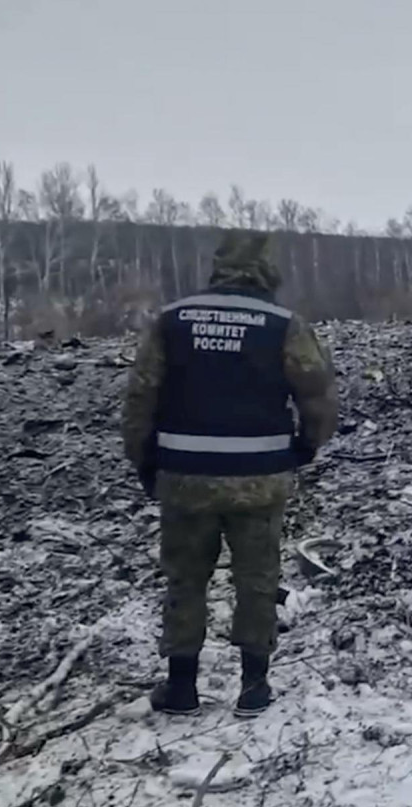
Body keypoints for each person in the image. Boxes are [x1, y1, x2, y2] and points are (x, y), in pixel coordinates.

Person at [121, 230, 338, 718]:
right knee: (257, 578)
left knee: (185, 579)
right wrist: (306, 446)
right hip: (260, 478)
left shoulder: (173, 321)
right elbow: (319, 394)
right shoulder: (283, 324)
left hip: (185, 477)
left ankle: (181, 687)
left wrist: (143, 458)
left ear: (219, 266)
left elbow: (140, 397)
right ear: (267, 268)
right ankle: (254, 686)